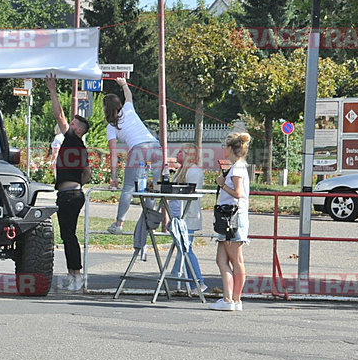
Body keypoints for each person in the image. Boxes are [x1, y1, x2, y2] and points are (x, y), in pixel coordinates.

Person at [46, 73, 91, 291]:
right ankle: (73, 274)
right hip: (73, 193)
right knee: (67, 235)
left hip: (70, 195)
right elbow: (87, 174)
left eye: (73, 124)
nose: (69, 125)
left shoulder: (73, 139)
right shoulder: (79, 146)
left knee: (68, 236)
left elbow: (58, 115)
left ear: (79, 130)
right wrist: (77, 183)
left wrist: (53, 90)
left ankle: (77, 275)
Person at [104, 77, 161, 234]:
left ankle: (119, 224)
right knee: (150, 187)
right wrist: (123, 84)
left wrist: (114, 177)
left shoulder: (111, 126)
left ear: (106, 108)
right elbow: (128, 95)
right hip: (156, 148)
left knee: (128, 187)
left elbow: (113, 153)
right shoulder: (128, 109)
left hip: (138, 150)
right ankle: (150, 224)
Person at [210, 132, 251, 311]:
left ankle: (234, 298)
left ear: (230, 148)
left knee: (236, 258)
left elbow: (238, 193)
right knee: (222, 258)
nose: (223, 150)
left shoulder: (237, 169)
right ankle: (229, 298)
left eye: (225, 147)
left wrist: (222, 184)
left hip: (233, 217)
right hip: (230, 217)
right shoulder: (239, 167)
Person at [169, 143, 207, 294]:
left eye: (180, 151)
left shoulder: (193, 172)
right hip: (179, 216)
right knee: (184, 249)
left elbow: (189, 194)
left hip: (188, 217)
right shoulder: (181, 171)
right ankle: (191, 282)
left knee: (186, 248)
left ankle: (198, 281)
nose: (177, 154)